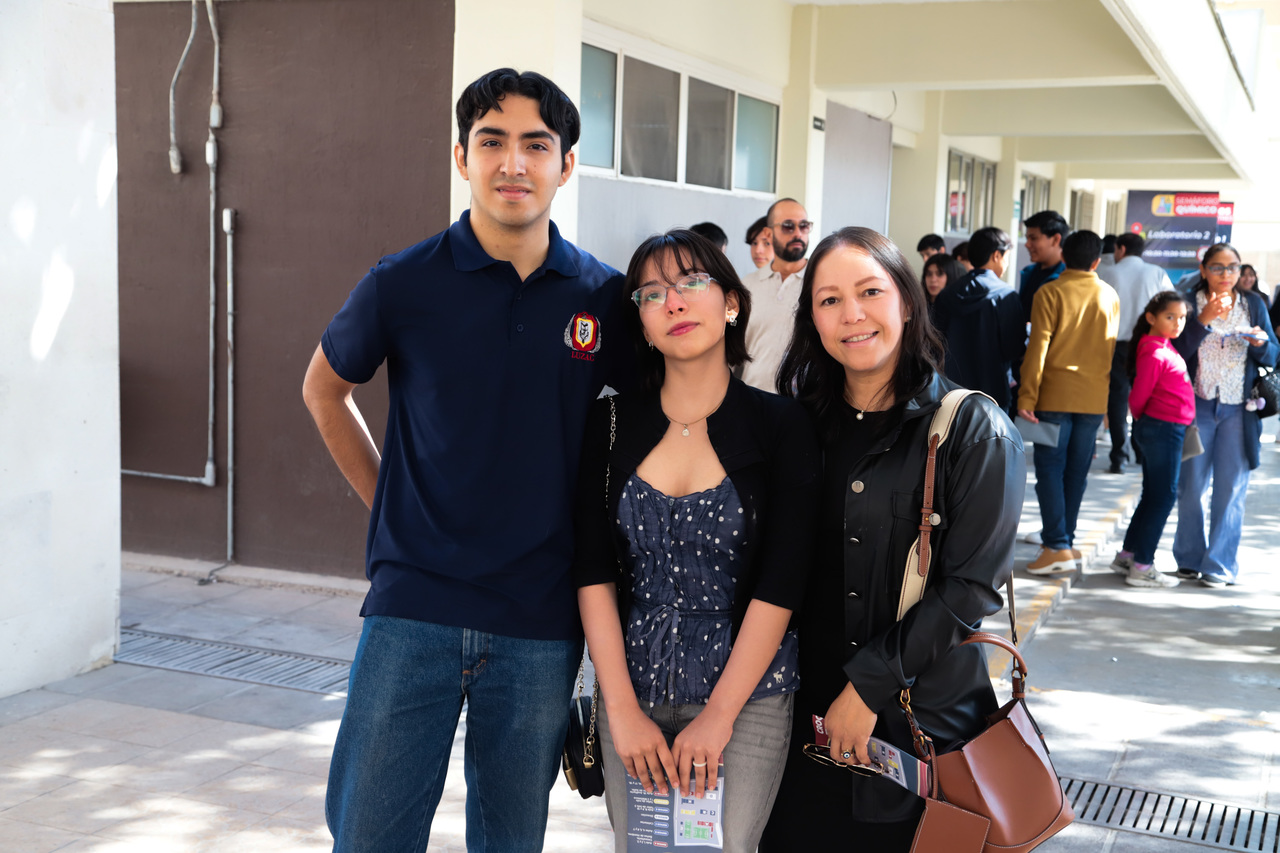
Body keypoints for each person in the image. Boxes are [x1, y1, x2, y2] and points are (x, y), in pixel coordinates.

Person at [303, 68, 632, 851]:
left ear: (566, 164)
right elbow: (324, 391)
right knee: (369, 835)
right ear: (461, 157)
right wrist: (391, 504)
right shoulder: (403, 281)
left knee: (509, 841)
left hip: (541, 620)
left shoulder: (603, 298)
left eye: (536, 145)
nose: (513, 163)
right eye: (492, 142)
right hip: (412, 609)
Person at [758, 227, 1025, 852]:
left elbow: (969, 589)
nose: (851, 314)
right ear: (812, 319)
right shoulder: (798, 424)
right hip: (796, 723)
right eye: (829, 300)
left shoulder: (972, 428)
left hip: (917, 732)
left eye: (870, 292)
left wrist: (865, 689)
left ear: (907, 300)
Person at [573, 229, 820, 853]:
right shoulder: (608, 422)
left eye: (691, 283)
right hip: (632, 690)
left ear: (731, 302)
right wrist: (620, 711)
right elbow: (593, 571)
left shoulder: (781, 425)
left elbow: (782, 582)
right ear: (642, 323)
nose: (674, 302)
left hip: (748, 697)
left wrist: (718, 716)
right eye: (652, 294)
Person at [1171, 243, 1279, 586]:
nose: (1226, 275)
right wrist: (1202, 321)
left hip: (1238, 408)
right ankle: (1189, 558)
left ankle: (1219, 564)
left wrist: (1261, 345)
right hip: (1196, 405)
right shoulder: (1187, 303)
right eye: (1217, 267)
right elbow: (1173, 351)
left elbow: (1273, 353)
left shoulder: (1253, 304)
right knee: (1191, 486)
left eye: (1233, 268)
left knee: (1231, 488)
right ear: (1203, 270)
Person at [1017, 230, 1120, 575]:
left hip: (1053, 396)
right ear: (1097, 261)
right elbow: (1108, 351)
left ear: (1064, 256)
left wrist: (1026, 395)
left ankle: (1056, 546)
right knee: (1076, 472)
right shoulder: (1109, 295)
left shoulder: (1050, 292)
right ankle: (1065, 542)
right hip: (1093, 399)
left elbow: (1038, 348)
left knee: (1049, 470)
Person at [1109, 292, 1195, 588]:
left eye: (1182, 317)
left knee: (1153, 494)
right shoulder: (1155, 351)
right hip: (1162, 429)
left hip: (1166, 429)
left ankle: (1128, 556)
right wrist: (1145, 422)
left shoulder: (1162, 346)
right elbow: (1138, 397)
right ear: (1151, 318)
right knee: (1163, 497)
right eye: (1170, 317)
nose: (1177, 323)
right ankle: (1142, 566)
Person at [1098, 232, 1173, 473]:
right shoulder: (1156, 273)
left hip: (1116, 345)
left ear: (1121, 249)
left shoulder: (1108, 273)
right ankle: (1142, 451)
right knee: (1147, 397)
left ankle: (1118, 456)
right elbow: (1172, 305)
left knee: (1117, 400)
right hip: (1149, 345)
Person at [932, 227, 1024, 410]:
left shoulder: (946, 295)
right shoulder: (1006, 295)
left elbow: (934, 343)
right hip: (994, 396)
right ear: (996, 255)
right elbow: (1014, 349)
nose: (1006, 263)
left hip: (951, 395)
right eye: (1006, 257)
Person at [739, 198, 812, 391]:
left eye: (804, 226)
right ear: (768, 234)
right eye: (788, 226)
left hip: (806, 402)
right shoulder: (747, 285)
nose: (798, 233)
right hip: (753, 397)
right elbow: (730, 346)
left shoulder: (821, 283)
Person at [1018, 210, 1069, 324]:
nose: (1027, 244)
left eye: (1033, 238)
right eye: (1027, 238)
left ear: (1055, 239)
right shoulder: (1028, 272)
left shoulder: (1067, 279)